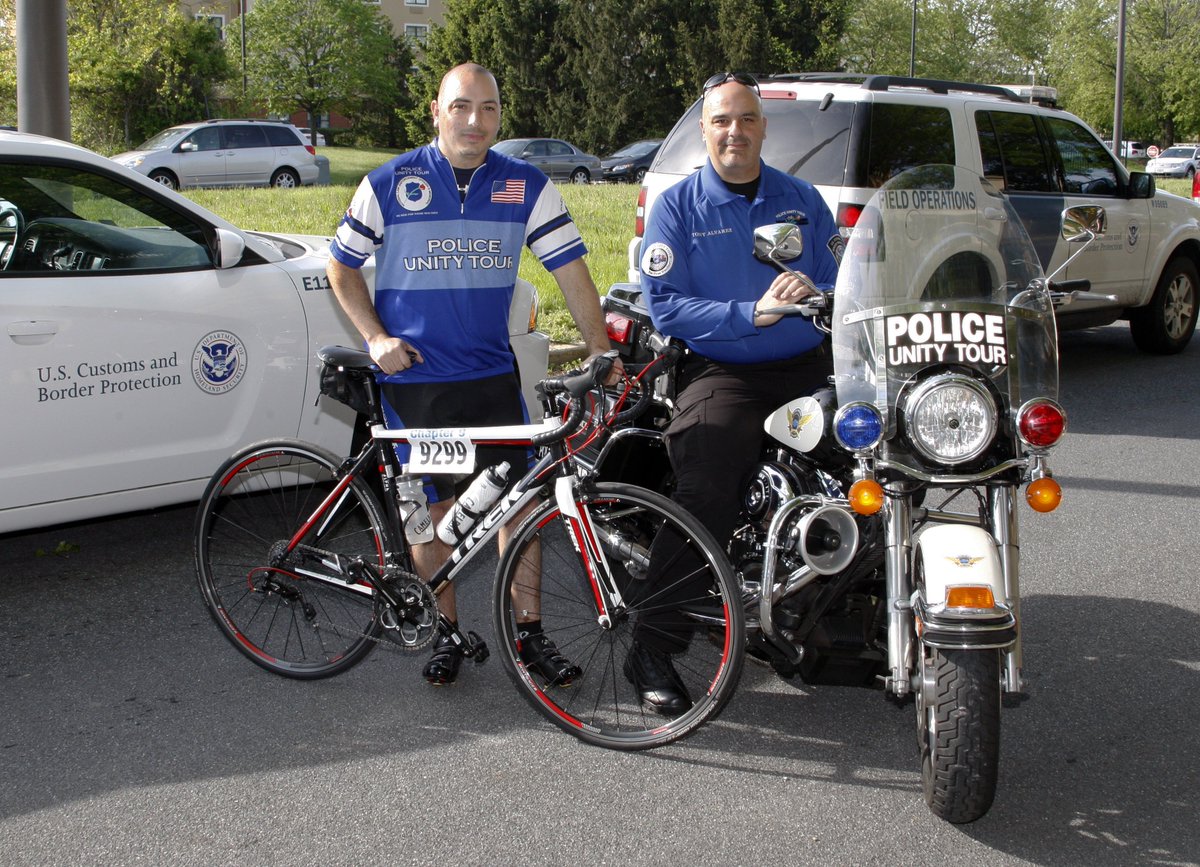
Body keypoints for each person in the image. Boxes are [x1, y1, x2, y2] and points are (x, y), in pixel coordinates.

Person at [326, 62, 618, 686]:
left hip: (491, 379)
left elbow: (571, 271)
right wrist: (375, 337)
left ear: (500, 117)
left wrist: (598, 349)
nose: (474, 121)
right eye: (461, 107)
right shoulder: (389, 183)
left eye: (488, 109)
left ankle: (531, 638)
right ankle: (444, 633)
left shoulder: (525, 186)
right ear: (436, 110)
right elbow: (341, 267)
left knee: (521, 510)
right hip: (416, 383)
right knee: (430, 516)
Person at [631, 71, 843, 715]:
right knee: (708, 484)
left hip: (806, 366)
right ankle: (652, 643)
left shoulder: (802, 199)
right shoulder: (678, 206)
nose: (734, 132)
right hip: (722, 370)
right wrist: (753, 312)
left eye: (746, 119)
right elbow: (666, 309)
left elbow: (842, 282)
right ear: (704, 129)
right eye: (721, 120)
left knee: (874, 461)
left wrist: (820, 296)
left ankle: (839, 610)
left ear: (763, 127)